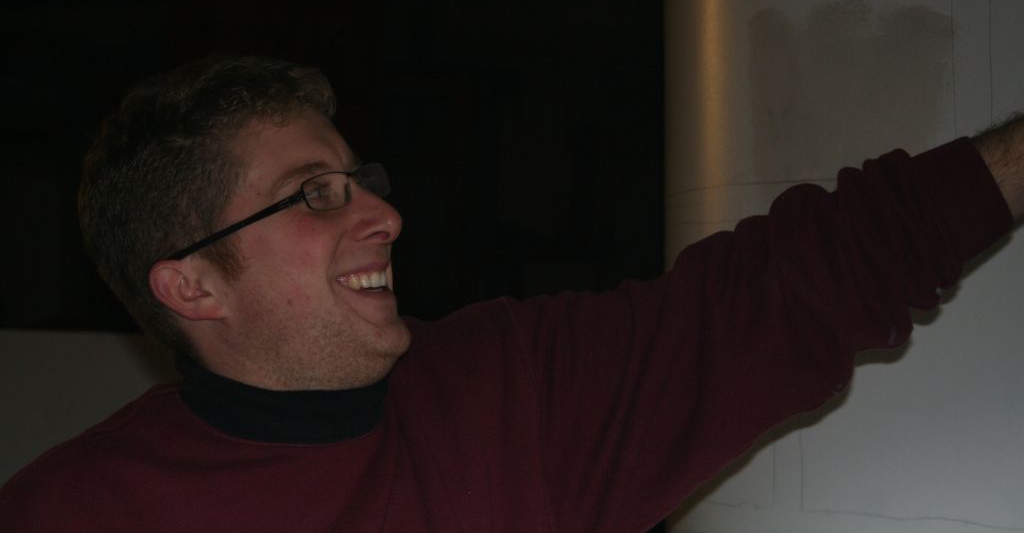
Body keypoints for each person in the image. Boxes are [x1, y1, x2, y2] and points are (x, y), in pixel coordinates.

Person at [0, 55, 1018, 532]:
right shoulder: (74, 512)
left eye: (360, 180)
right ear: (191, 284)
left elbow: (793, 286)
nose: (384, 215)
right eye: (313, 194)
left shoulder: (509, 397)